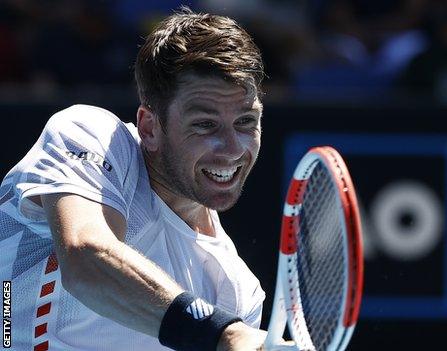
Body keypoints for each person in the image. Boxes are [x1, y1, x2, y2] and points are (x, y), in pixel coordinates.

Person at [0, 7, 287, 351]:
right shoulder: (92, 135)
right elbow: (87, 258)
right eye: (205, 124)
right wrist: (222, 333)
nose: (232, 149)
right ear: (150, 127)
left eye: (245, 122)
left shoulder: (237, 292)